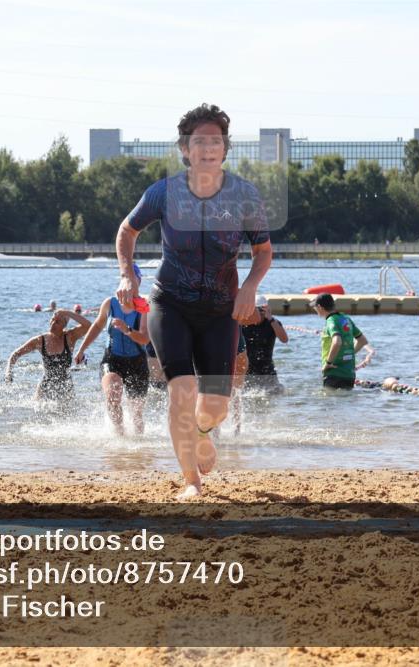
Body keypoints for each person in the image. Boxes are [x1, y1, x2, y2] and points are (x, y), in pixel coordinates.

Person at [115, 103, 272, 499]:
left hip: (221, 311)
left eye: (214, 141)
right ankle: (190, 481)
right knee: (181, 391)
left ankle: (203, 434)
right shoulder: (164, 193)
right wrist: (125, 273)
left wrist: (250, 287)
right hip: (171, 305)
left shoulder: (244, 196)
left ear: (224, 149)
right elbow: (126, 231)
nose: (207, 148)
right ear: (185, 149)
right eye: (198, 141)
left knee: (215, 408)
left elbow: (264, 251)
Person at [74, 264, 151, 436]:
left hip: (137, 361)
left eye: (134, 280)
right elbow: (96, 326)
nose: (130, 285)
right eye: (127, 280)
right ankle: (119, 436)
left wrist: (127, 330)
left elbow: (145, 338)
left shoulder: (144, 306)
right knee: (113, 395)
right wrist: (81, 350)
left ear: (139, 282)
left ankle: (139, 447)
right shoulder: (110, 303)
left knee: (137, 414)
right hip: (112, 359)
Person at [5, 309, 91, 403]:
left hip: (66, 387)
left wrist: (67, 313)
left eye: (57, 321)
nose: (53, 323)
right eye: (52, 319)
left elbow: (88, 326)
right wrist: (8, 371)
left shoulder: (70, 337)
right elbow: (15, 354)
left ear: (64, 325)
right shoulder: (40, 340)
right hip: (45, 388)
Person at [310, 293, 373, 391]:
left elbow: (337, 341)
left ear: (320, 307)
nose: (315, 310)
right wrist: (349, 353)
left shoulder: (331, 321)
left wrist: (328, 363)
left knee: (330, 403)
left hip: (334, 373)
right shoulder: (346, 319)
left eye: (315, 307)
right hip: (349, 374)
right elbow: (362, 340)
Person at [240, 294, 288, 394]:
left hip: (267, 370)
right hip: (248, 371)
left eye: (263, 310)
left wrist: (270, 318)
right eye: (258, 310)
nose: (260, 314)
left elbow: (284, 339)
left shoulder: (272, 323)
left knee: (275, 395)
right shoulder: (244, 323)